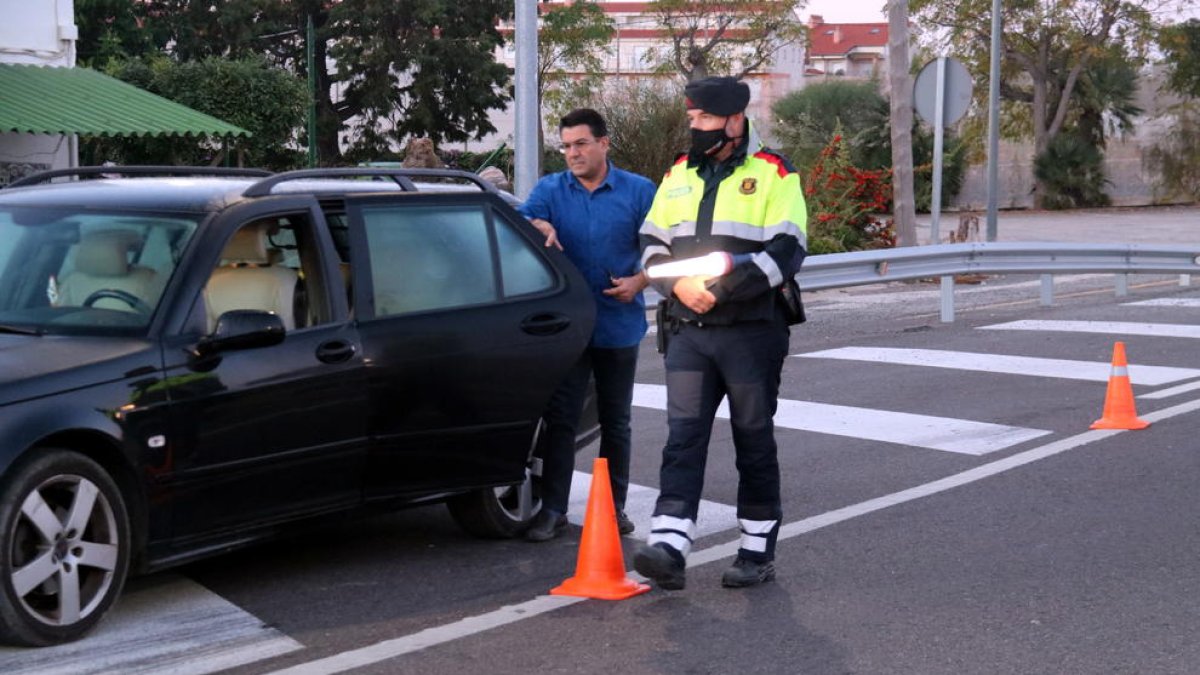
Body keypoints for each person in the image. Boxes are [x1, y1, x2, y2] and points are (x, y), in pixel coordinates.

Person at [633, 77, 807, 589]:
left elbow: (787, 250)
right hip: (688, 330)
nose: (696, 128)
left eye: (705, 119)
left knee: (753, 439)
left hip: (751, 332)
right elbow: (650, 242)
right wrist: (679, 286)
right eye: (693, 119)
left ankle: (756, 550)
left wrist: (723, 290)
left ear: (735, 120)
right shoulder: (678, 174)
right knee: (682, 439)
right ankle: (669, 547)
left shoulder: (775, 173)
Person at [519, 108, 657, 542]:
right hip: (569, 327)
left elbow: (665, 246)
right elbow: (521, 223)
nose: (572, 153)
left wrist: (640, 281)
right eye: (566, 146)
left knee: (616, 422)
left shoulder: (639, 191)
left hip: (619, 324)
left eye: (580, 143)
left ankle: (614, 509)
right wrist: (537, 222)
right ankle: (553, 509)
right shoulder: (550, 190)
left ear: (603, 144)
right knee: (561, 420)